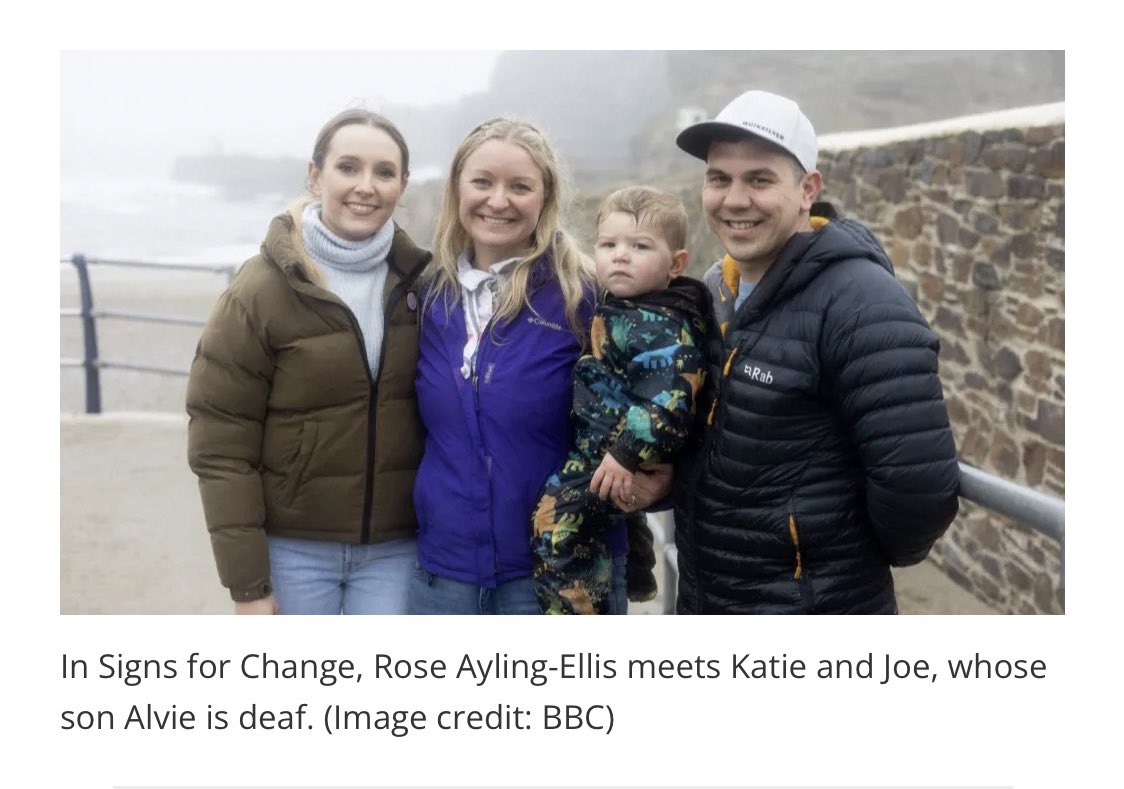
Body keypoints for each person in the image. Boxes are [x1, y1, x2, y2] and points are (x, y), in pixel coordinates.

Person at [661, 89, 961, 614]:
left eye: (759, 179)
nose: (734, 199)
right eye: (719, 178)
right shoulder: (712, 292)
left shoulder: (861, 303)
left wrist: (831, 569)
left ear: (808, 189)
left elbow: (918, 491)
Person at [186, 109, 431, 614]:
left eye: (384, 172)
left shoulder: (424, 287)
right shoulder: (259, 290)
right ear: (315, 174)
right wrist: (248, 586)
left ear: (402, 185)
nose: (366, 186)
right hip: (293, 550)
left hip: (396, 550)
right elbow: (221, 442)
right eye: (348, 167)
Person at [410, 117, 632, 615]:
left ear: (545, 197)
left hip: (563, 573)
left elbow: (658, 398)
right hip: (443, 576)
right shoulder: (428, 295)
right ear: (456, 188)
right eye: (482, 182)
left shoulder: (588, 294)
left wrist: (651, 481)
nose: (498, 200)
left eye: (520, 186)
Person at [531, 186, 709, 615]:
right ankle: (638, 564)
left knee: (553, 526)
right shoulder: (622, 306)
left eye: (639, 246)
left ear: (676, 264)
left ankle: (576, 612)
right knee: (613, 513)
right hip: (601, 448)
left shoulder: (665, 326)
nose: (620, 255)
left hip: (611, 456)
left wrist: (626, 454)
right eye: (609, 245)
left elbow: (670, 401)